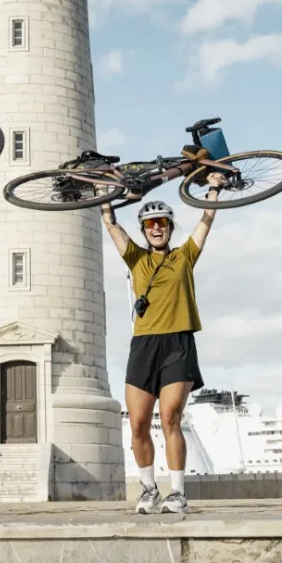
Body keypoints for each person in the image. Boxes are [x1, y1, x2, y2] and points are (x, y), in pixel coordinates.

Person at [101, 176, 225, 515]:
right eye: (150, 224)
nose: (157, 228)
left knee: (170, 416)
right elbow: (111, 227)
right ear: (144, 230)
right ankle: (148, 489)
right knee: (138, 422)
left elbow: (207, 220)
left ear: (170, 227)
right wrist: (104, 199)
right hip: (143, 345)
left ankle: (178, 493)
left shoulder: (185, 256)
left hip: (178, 343)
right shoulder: (136, 259)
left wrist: (213, 188)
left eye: (162, 223)